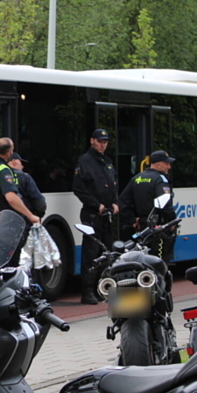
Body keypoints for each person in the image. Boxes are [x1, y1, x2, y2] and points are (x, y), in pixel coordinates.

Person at [73, 128, 119, 304]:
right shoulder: (85, 161)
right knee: (91, 254)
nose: (103, 145)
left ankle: (103, 288)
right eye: (100, 141)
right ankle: (87, 291)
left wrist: (115, 203)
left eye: (105, 142)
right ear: (92, 141)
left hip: (107, 215)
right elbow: (79, 189)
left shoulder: (106, 161)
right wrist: (96, 205)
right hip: (92, 214)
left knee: (107, 253)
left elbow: (113, 185)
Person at [118, 150, 177, 260]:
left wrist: (132, 220)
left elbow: (122, 202)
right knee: (159, 262)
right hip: (159, 228)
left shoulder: (137, 178)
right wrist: (172, 221)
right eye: (167, 163)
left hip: (142, 226)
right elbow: (165, 204)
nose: (169, 167)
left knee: (143, 259)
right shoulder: (160, 179)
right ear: (158, 164)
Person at [7, 152, 47, 218]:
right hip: (23, 220)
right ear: (14, 162)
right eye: (21, 163)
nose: (22, 166)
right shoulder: (24, 177)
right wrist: (35, 215)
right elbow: (39, 201)